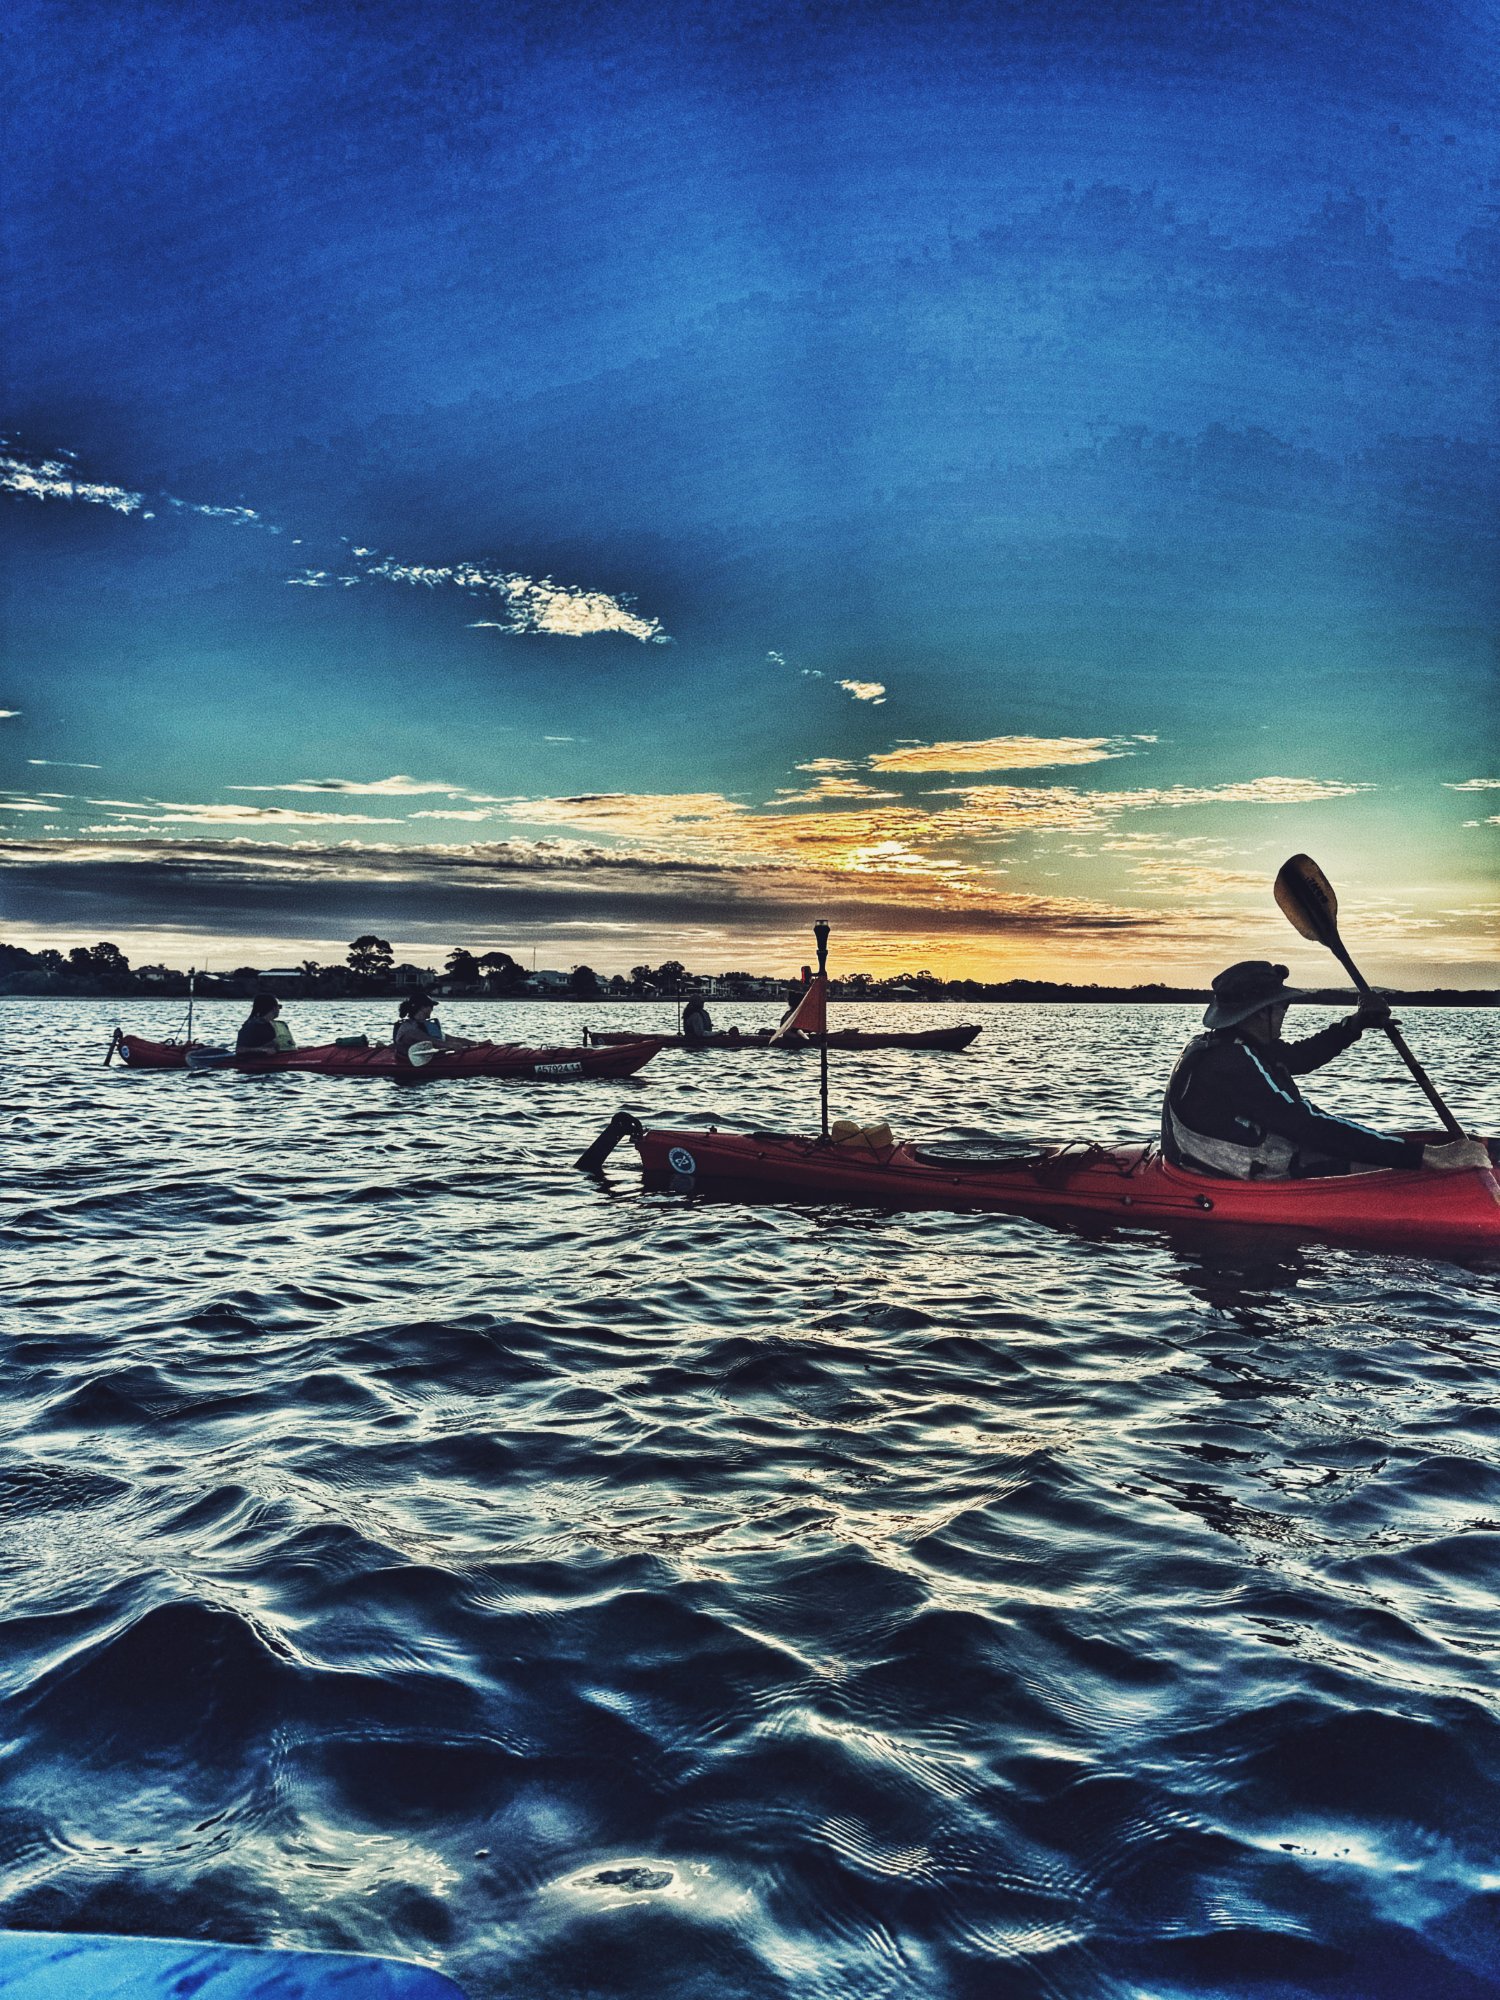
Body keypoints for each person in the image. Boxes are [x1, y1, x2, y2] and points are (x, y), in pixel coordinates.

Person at [1162, 960, 1489, 1178]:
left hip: (1226, 1155)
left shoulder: (1233, 1044)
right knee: (1375, 1154)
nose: (1286, 1011)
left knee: (1384, 1147)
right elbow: (1307, 1125)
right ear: (1261, 1012)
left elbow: (1299, 1058)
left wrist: (1354, 1025)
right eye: (1283, 1005)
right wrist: (1426, 1158)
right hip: (1220, 1173)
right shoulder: (1232, 1061)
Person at [391, 990, 475, 1066]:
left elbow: (452, 1039)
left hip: (432, 1059)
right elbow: (420, 1037)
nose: (432, 1009)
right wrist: (449, 1045)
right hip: (408, 1060)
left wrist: (476, 1044)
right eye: (431, 1006)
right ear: (422, 1008)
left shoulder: (428, 1026)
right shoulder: (407, 1027)